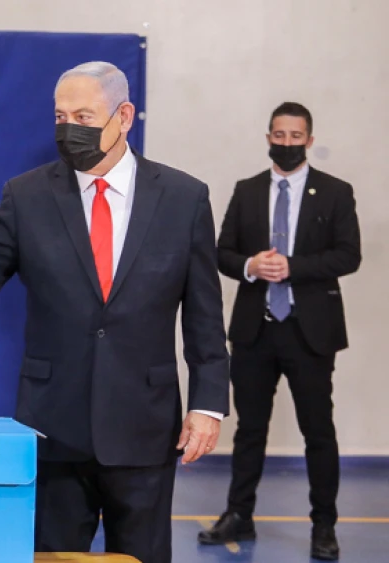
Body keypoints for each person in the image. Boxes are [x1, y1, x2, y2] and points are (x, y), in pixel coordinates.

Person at [0, 61, 231, 563]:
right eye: (59, 116)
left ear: (125, 116)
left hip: (145, 425)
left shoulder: (183, 197)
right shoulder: (27, 195)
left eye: (85, 116)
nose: (69, 129)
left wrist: (207, 404)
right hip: (54, 423)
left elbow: (204, 311)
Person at [198, 102, 360, 561]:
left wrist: (293, 267)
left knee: (318, 431)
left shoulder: (335, 192)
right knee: (249, 429)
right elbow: (221, 251)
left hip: (310, 331)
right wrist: (250, 265)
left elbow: (349, 255)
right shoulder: (247, 190)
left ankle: (324, 525)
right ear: (268, 136)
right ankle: (238, 514)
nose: (286, 143)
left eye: (296, 136)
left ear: (309, 139)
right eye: (279, 135)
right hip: (255, 328)